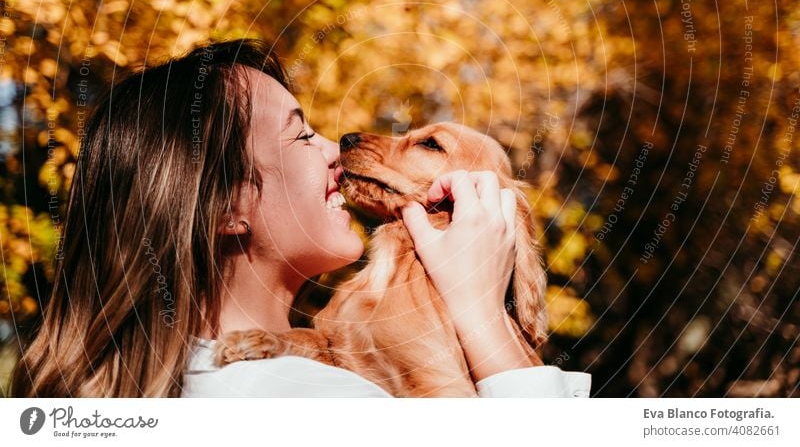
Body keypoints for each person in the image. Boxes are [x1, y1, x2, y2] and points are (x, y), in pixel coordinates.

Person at [12, 39, 590, 398]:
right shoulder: (301, 399)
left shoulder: (283, 369)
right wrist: (484, 317)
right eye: (300, 134)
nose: (335, 149)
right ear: (226, 206)